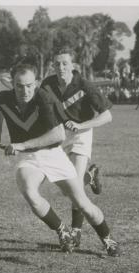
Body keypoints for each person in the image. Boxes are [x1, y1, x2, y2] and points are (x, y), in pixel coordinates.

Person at [0, 64, 119, 256]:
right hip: (29, 159)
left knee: (82, 204)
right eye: (19, 86)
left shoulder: (43, 98)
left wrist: (21, 145)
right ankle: (62, 231)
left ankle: (107, 238)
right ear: (12, 84)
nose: (25, 90)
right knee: (30, 192)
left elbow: (58, 135)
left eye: (29, 85)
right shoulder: (3, 98)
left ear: (36, 83)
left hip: (53, 154)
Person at [40, 48, 112, 248]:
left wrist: (81, 125)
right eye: (56, 64)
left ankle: (76, 232)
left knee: (76, 187)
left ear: (73, 66)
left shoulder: (84, 85)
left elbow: (107, 116)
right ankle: (92, 174)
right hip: (59, 136)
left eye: (64, 63)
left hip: (81, 133)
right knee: (68, 189)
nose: (60, 67)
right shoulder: (48, 84)